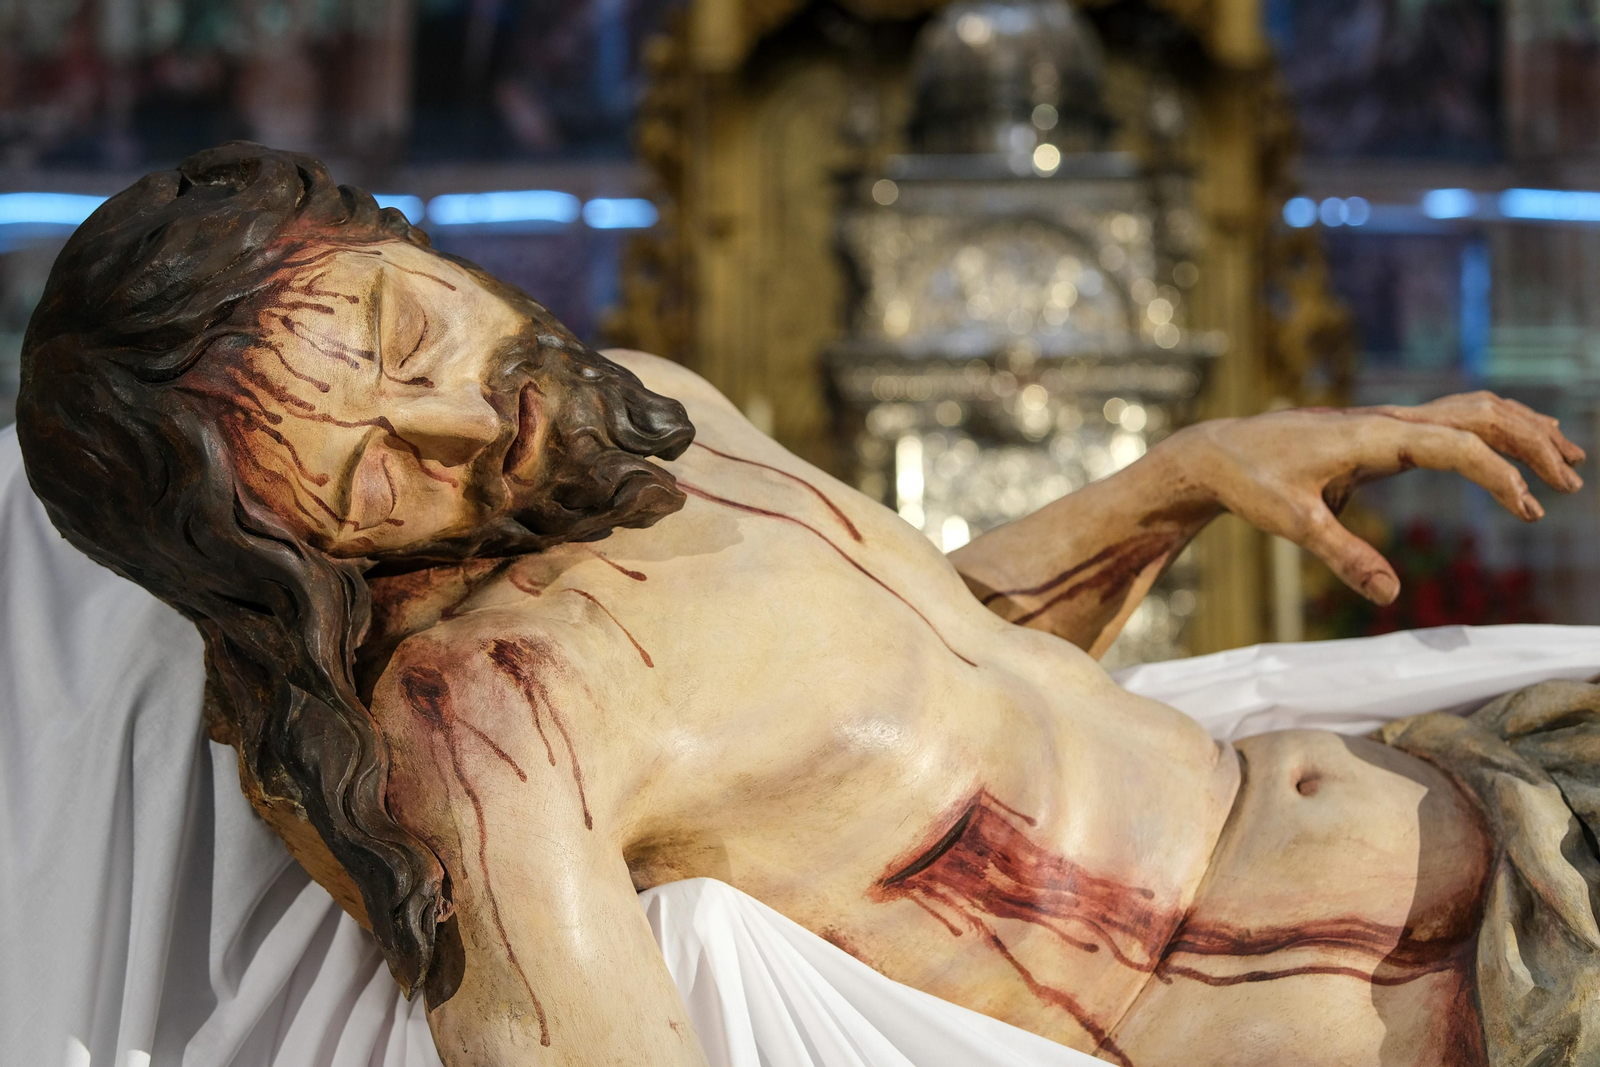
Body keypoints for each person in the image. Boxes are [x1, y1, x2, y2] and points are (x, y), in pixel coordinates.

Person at [16, 143, 1596, 1067]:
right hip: (1397, 1008)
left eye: (401, 328)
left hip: (1488, 790)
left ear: (398, 240)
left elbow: (934, 696)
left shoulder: (648, 409)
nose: (455, 425)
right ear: (295, 562)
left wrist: (1175, 481)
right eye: (369, 484)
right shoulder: (494, 719)